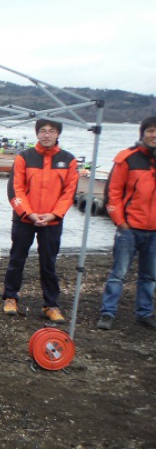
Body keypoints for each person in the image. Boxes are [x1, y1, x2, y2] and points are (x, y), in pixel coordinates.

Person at [1, 119, 78, 323]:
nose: (46, 135)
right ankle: (10, 297)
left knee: (49, 264)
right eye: (42, 131)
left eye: (51, 131)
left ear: (57, 134)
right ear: (36, 134)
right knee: (16, 260)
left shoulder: (68, 160)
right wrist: (29, 213)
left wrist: (54, 214)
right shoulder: (24, 157)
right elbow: (15, 188)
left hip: (52, 221)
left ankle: (51, 305)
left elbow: (69, 193)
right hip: (24, 219)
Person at [96, 115, 156, 331]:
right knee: (118, 273)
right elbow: (112, 192)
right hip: (129, 228)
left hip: (154, 231)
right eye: (150, 131)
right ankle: (108, 312)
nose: (154, 135)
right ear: (142, 133)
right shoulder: (127, 158)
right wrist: (121, 223)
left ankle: (145, 313)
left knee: (149, 276)